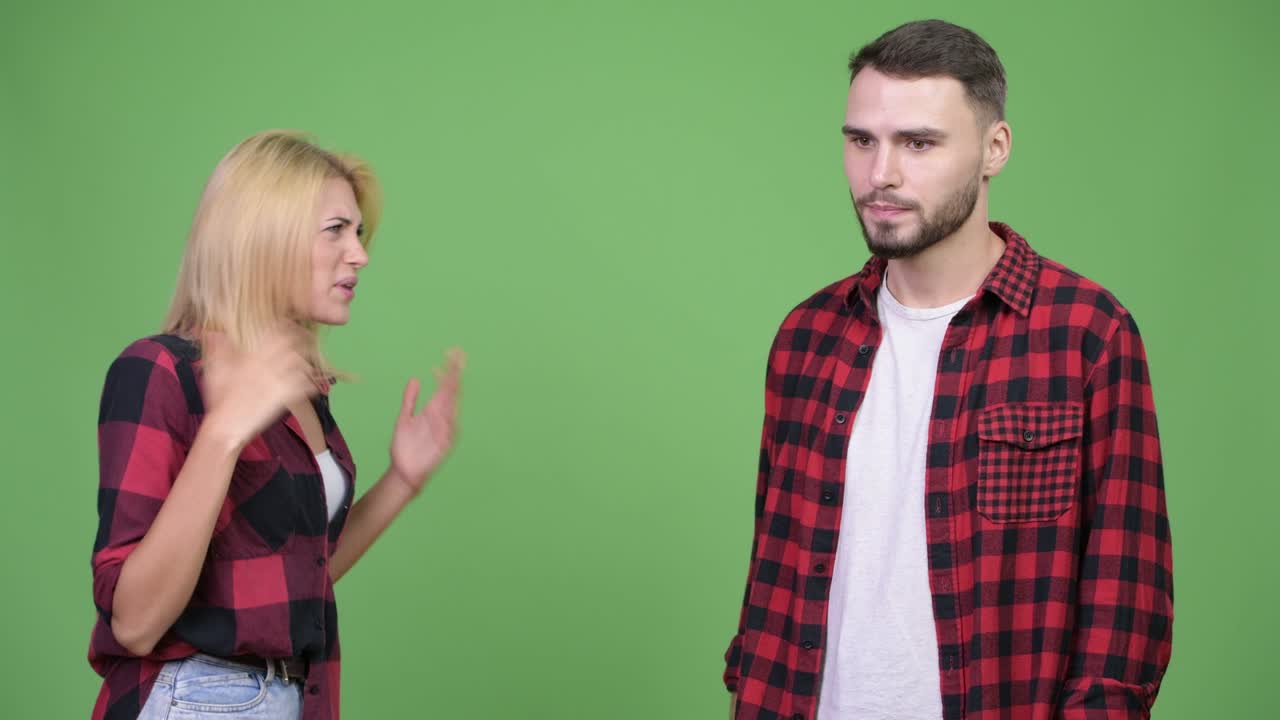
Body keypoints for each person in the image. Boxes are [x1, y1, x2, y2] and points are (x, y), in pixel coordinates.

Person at [724, 20, 1172, 720]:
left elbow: (1125, 602)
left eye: (919, 143)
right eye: (861, 140)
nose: (882, 175)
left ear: (994, 149)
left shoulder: (1086, 334)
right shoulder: (806, 338)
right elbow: (771, 586)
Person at [88, 130, 464, 719]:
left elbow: (297, 581)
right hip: (199, 698)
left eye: (359, 233)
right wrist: (223, 434)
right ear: (265, 238)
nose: (360, 254)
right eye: (335, 230)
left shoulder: (299, 395)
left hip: (289, 696)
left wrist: (402, 482)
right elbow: (134, 623)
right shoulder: (160, 371)